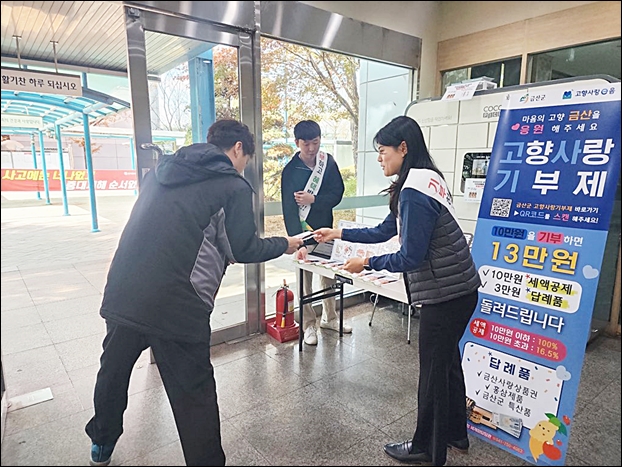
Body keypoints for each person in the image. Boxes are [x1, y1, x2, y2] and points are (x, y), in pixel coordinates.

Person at [85, 119, 303, 467]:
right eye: (246, 159)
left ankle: (101, 442)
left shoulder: (161, 173)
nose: (243, 167)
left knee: (113, 372)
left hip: (125, 291)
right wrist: (285, 244)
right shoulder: (232, 186)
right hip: (178, 305)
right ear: (238, 149)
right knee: (193, 395)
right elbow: (243, 248)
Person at [313, 115, 481, 466]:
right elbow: (384, 231)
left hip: (445, 295)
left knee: (433, 373)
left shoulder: (414, 192)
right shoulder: (423, 179)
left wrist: (366, 263)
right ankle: (455, 434)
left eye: (383, 151)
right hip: (459, 290)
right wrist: (338, 233)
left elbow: (410, 256)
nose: (379, 158)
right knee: (447, 365)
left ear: (403, 148)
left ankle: (426, 448)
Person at [281, 119, 348, 346]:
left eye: (316, 142)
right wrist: (295, 240)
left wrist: (314, 200)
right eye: (306, 144)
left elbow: (337, 193)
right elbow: (288, 209)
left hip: (325, 229)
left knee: (328, 275)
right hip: (302, 232)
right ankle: (308, 324)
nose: (311, 148)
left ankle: (330, 318)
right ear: (297, 142)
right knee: (304, 280)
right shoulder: (290, 170)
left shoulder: (327, 163)